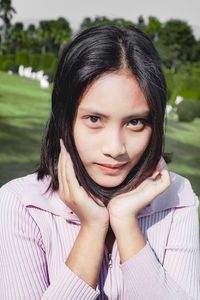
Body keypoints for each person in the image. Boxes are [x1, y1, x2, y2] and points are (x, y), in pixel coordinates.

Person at [0, 25, 199, 300]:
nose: (115, 148)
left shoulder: (177, 199)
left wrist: (126, 222)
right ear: (64, 118)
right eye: (95, 119)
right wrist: (92, 228)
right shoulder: (20, 205)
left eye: (135, 122)